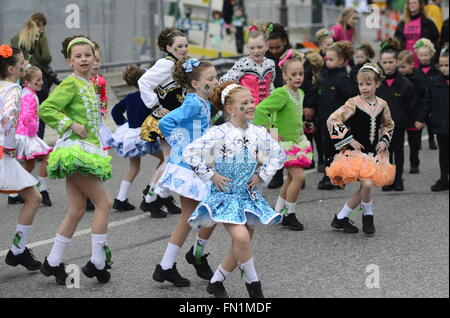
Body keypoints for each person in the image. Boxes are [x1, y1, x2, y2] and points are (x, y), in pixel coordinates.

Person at [184, 82, 285, 298]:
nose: (251, 105)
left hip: (248, 197)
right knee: (241, 238)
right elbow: (190, 153)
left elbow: (278, 155)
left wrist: (262, 175)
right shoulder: (218, 133)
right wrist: (212, 175)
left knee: (243, 241)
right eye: (244, 103)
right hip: (226, 196)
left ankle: (216, 282)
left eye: (251, 101)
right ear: (230, 109)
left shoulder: (259, 133)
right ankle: (254, 287)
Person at [39, 36, 113, 285]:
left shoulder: (89, 83)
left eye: (87, 55)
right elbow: (46, 109)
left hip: (86, 149)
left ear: (94, 57)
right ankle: (97, 261)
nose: (84, 59)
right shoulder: (70, 84)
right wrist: (70, 124)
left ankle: (52, 261)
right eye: (78, 56)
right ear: (69, 61)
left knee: (77, 209)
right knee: (104, 203)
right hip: (76, 151)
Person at [152, 57, 219, 287]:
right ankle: (172, 264)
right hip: (190, 167)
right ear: (196, 84)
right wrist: (183, 145)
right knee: (195, 218)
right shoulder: (192, 103)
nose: (215, 81)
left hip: (201, 164)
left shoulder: (202, 101)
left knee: (206, 215)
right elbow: (165, 123)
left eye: (215, 77)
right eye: (210, 79)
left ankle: (172, 264)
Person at [326, 63, 395, 234]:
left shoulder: (382, 104)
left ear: (377, 84)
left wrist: (385, 140)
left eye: (368, 84)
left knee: (366, 186)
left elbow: (388, 124)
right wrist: (349, 139)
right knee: (368, 183)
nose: (364, 88)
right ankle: (368, 216)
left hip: (373, 153)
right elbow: (333, 120)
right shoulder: (353, 103)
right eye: (361, 84)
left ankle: (340, 218)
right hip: (356, 153)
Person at [254, 50, 313, 231]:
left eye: (300, 74)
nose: (297, 78)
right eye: (293, 74)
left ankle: (279, 210)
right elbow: (260, 109)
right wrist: (270, 130)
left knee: (290, 179)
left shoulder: (300, 93)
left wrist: (303, 126)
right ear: (284, 75)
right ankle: (290, 214)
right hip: (284, 144)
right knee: (299, 177)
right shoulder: (282, 93)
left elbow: (292, 116)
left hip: (296, 141)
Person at [1, 44, 43, 272]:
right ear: (10, 69)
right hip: (1, 153)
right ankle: (18, 250)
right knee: (34, 198)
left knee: (33, 196)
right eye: (21, 64)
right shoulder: (13, 89)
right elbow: (8, 116)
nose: (24, 66)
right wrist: (9, 146)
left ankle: (18, 251)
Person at [138, 27, 186, 217]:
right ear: (168, 47)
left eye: (185, 45)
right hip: (166, 119)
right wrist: (155, 105)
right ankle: (150, 198)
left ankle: (161, 195)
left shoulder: (178, 63)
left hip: (176, 118)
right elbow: (144, 82)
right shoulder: (166, 64)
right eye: (179, 46)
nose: (183, 49)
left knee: (172, 160)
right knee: (171, 160)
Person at [108, 65, 164, 212]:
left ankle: (120, 199)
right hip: (146, 134)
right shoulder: (150, 97)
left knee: (134, 168)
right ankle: (151, 187)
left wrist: (124, 125)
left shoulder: (129, 97)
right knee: (165, 160)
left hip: (131, 135)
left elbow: (115, 111)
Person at [11, 13, 59, 140]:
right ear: (41, 24)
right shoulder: (40, 37)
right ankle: (37, 145)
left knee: (26, 112)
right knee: (40, 112)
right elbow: (47, 58)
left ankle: (26, 143)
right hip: (38, 77)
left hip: (25, 80)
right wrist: (42, 40)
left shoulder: (17, 38)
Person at [377, 38, 415, 192]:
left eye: (390, 62)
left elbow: (409, 105)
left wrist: (409, 121)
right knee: (385, 153)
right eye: (384, 62)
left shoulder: (405, 84)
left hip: (398, 125)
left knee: (398, 152)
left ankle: (398, 179)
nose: (387, 65)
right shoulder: (378, 83)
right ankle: (388, 179)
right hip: (382, 125)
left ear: (397, 62)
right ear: (380, 62)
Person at [317, 41, 356, 190]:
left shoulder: (342, 79)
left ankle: (335, 177)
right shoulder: (326, 76)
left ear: (341, 61)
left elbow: (350, 100)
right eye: (327, 59)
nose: (328, 62)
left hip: (338, 123)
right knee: (327, 149)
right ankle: (330, 175)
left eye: (331, 59)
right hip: (325, 121)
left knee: (337, 150)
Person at [15, 66, 53, 206]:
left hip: (25, 134)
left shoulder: (28, 92)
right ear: (27, 82)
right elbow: (25, 116)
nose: (41, 82)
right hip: (27, 135)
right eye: (37, 80)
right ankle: (43, 189)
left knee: (29, 164)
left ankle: (16, 193)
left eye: (41, 79)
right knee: (49, 156)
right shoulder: (29, 95)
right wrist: (32, 132)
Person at [415, 46, 449, 191]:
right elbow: (426, 103)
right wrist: (421, 119)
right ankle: (443, 179)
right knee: (443, 154)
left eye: (447, 65)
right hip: (441, 124)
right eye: (441, 65)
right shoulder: (434, 82)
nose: (444, 68)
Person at [221, 23, 275, 106]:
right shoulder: (243, 64)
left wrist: (273, 99)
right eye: (252, 48)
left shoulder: (270, 64)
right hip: (247, 110)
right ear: (247, 47)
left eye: (260, 47)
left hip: (266, 110)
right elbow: (225, 80)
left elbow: (270, 85)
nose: (256, 51)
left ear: (266, 46)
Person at [265, 22, 291, 189]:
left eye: (278, 47)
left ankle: (294, 172)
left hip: (289, 103)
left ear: (284, 41)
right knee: (274, 140)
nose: (275, 51)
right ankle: (277, 174)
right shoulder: (265, 58)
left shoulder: (292, 56)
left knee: (290, 139)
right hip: (273, 105)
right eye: (271, 48)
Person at [398, 50, 427, 174]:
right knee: (397, 144)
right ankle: (399, 165)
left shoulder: (419, 78)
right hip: (400, 115)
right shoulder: (397, 79)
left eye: (404, 67)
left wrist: (422, 118)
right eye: (399, 67)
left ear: (412, 65)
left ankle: (414, 163)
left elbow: (424, 98)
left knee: (414, 143)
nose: (401, 70)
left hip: (414, 116)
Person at [394, 0, 439, 68]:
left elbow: (435, 41)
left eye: (414, 3)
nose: (412, 5)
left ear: (420, 5)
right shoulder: (402, 23)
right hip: (406, 60)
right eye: (410, 3)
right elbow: (397, 42)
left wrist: (433, 59)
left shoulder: (428, 23)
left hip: (423, 59)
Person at [414, 38, 440, 149]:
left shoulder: (436, 71)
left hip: (432, 101)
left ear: (431, 55)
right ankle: (417, 142)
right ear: (418, 56)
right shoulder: (416, 71)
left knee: (430, 123)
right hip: (420, 101)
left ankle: (431, 140)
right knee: (420, 121)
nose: (424, 58)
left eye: (426, 55)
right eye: (421, 55)